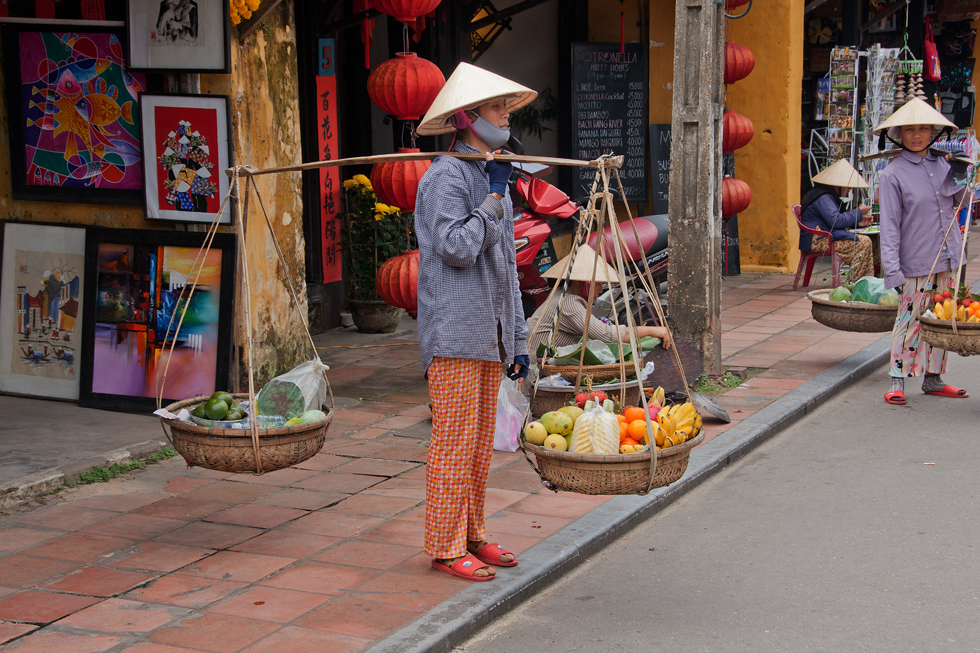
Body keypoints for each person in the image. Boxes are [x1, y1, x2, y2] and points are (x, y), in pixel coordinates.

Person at [413, 63, 537, 581]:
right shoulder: (444, 177)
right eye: (495, 108)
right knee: (454, 442)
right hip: (456, 331)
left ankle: (472, 532)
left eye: (506, 108)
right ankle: (444, 545)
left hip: (492, 333)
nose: (504, 117)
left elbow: (506, 266)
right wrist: (491, 197)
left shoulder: (492, 178)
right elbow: (457, 248)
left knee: (481, 440)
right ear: (466, 117)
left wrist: (520, 337)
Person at [874, 97, 971, 406]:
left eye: (923, 129)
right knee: (910, 319)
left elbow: (963, 205)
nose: (916, 135)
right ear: (899, 134)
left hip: (949, 257)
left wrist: (959, 173)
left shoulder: (944, 164)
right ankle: (897, 380)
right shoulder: (892, 175)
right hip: (914, 262)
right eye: (909, 129)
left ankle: (933, 379)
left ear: (933, 132)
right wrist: (893, 271)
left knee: (943, 319)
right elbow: (888, 226)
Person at [527, 243, 672, 357]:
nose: (601, 290)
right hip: (537, 375)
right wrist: (653, 330)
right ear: (580, 282)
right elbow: (608, 335)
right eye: (597, 284)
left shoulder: (562, 296)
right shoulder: (568, 303)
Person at [799, 159, 875, 280]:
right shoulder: (823, 197)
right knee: (863, 243)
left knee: (873, 241)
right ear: (838, 185)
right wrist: (858, 212)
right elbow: (836, 221)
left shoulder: (828, 196)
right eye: (848, 186)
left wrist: (858, 221)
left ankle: (867, 281)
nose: (850, 189)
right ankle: (857, 283)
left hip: (825, 236)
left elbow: (836, 219)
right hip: (818, 240)